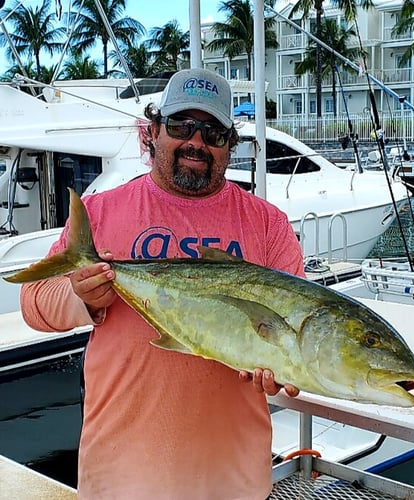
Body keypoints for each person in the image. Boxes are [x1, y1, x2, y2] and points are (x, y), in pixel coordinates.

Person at [20, 68, 305, 499]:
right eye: (180, 126)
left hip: (232, 483)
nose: (196, 142)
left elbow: (293, 329)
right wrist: (82, 298)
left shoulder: (268, 225)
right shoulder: (100, 213)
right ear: (154, 130)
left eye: (213, 133)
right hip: (120, 479)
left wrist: (283, 372)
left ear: (230, 145)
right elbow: (34, 302)